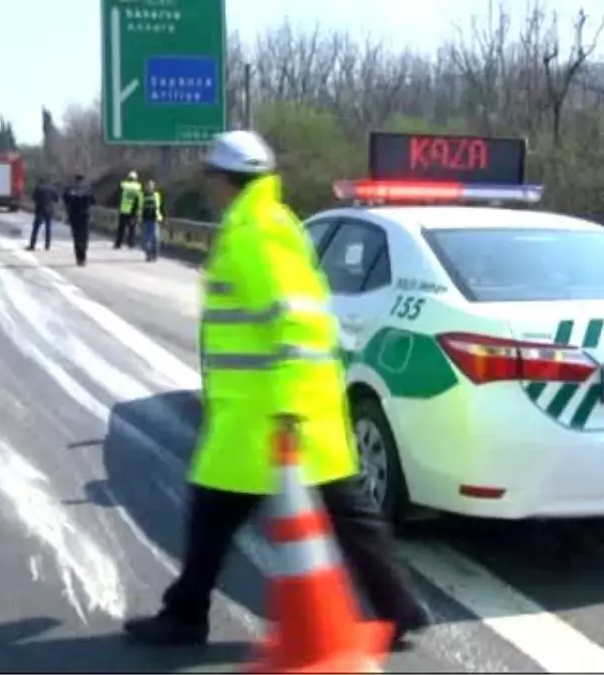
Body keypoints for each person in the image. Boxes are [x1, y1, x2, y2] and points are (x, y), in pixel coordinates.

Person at [122, 130, 431, 649]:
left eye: (211, 177)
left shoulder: (252, 234)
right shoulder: (276, 223)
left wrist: (286, 407)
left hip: (265, 412)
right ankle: (398, 606)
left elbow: (291, 320)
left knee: (212, 517)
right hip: (300, 405)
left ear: (225, 179)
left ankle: (185, 616)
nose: (209, 187)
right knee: (348, 513)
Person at [62, 174, 95, 266]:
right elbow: (93, 201)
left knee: (76, 238)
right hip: (85, 216)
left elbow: (65, 199)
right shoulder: (88, 190)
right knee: (84, 238)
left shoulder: (70, 189)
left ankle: (78, 258)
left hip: (74, 216)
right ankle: (83, 257)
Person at [27, 177, 59, 251]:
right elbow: (56, 199)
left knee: (36, 228)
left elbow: (33, 197)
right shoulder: (53, 189)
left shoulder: (39, 188)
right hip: (50, 210)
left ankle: (32, 245)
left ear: (40, 181)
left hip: (40, 209)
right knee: (48, 228)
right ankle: (47, 246)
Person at [137, 178, 164, 262]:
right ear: (146, 187)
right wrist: (139, 218)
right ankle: (148, 254)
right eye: (148, 186)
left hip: (155, 219)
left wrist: (163, 217)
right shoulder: (142, 196)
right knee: (146, 239)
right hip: (145, 220)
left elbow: (160, 207)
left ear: (153, 187)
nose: (149, 187)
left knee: (156, 238)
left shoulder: (156, 195)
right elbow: (140, 208)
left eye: (151, 185)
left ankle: (154, 254)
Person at [115, 170, 141, 249]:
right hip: (133, 211)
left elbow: (118, 196)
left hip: (124, 210)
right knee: (132, 229)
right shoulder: (138, 186)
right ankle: (131, 244)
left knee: (121, 228)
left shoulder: (124, 185)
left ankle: (118, 244)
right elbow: (139, 198)